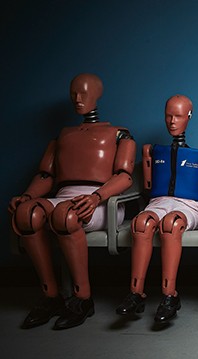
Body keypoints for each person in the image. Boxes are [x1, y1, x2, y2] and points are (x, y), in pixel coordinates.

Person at [9, 73, 136, 330]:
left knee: (66, 216)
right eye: (74, 94)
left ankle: (82, 298)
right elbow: (46, 175)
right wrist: (28, 196)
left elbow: (124, 176)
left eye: (84, 94)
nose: (78, 99)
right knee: (27, 214)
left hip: (101, 201)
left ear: (97, 94)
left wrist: (96, 197)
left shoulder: (118, 134)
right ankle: (51, 296)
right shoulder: (63, 135)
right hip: (63, 197)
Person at [115, 95, 198, 323]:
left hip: (189, 206)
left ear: (189, 116)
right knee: (141, 224)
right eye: (168, 116)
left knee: (171, 224)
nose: (172, 121)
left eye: (178, 116)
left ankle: (170, 295)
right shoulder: (152, 151)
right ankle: (135, 293)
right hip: (158, 202)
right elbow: (148, 187)